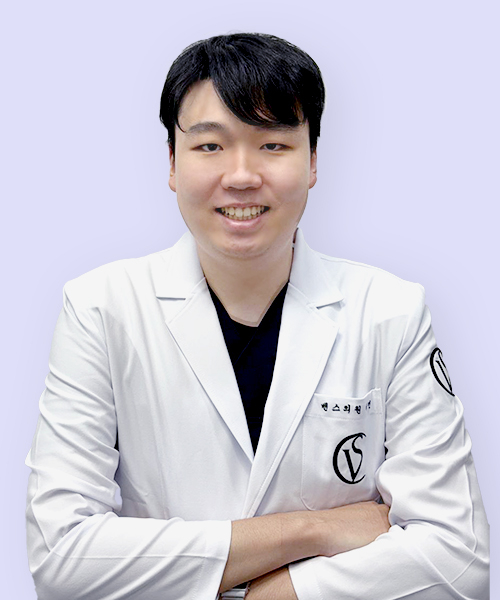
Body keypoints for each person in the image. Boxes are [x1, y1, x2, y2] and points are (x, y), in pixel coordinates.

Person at [25, 33, 489, 599]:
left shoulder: (390, 312)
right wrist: (309, 530)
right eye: (210, 146)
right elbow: (61, 559)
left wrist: (275, 592)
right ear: (171, 162)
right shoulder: (100, 309)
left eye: (272, 144)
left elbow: (459, 561)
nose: (241, 175)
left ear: (312, 161)